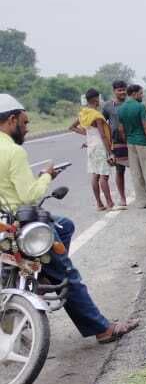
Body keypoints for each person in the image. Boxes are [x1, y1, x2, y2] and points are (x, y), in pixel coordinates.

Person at [0, 94, 138, 343]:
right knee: (67, 274)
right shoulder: (12, 152)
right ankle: (102, 329)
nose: (27, 128)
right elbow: (30, 196)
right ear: (11, 120)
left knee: (65, 225)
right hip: (22, 226)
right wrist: (46, 175)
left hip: (2, 227)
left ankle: (40, 276)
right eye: (25, 122)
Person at [68, 89, 115, 211]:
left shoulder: (83, 114)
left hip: (91, 146)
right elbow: (103, 135)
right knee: (104, 176)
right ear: (95, 99)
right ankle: (110, 203)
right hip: (100, 146)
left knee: (95, 175)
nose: (99, 101)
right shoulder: (96, 115)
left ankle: (99, 204)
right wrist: (110, 152)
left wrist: (88, 136)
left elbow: (72, 127)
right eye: (98, 98)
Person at [100, 80, 130, 209]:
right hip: (117, 143)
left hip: (133, 140)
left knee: (138, 170)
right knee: (120, 171)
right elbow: (102, 124)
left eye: (124, 89)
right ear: (114, 91)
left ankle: (142, 195)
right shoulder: (108, 106)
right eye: (119, 90)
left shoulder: (131, 103)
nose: (122, 92)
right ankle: (122, 198)